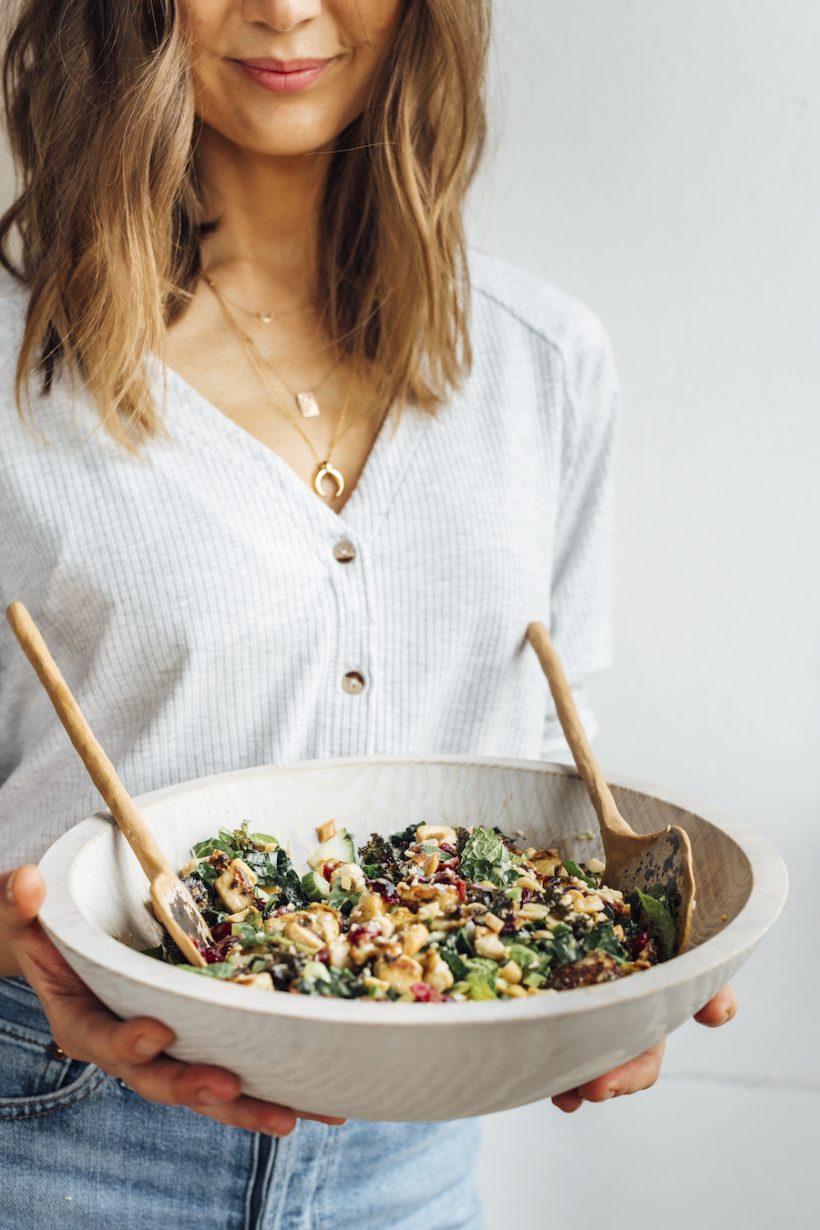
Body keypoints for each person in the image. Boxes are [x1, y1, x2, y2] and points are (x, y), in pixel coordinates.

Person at [0, 2, 737, 1227]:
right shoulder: (18, 367)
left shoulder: (541, 362)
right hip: (59, 1134)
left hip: (408, 1164)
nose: (288, 10)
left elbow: (554, 760)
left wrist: (622, 973)